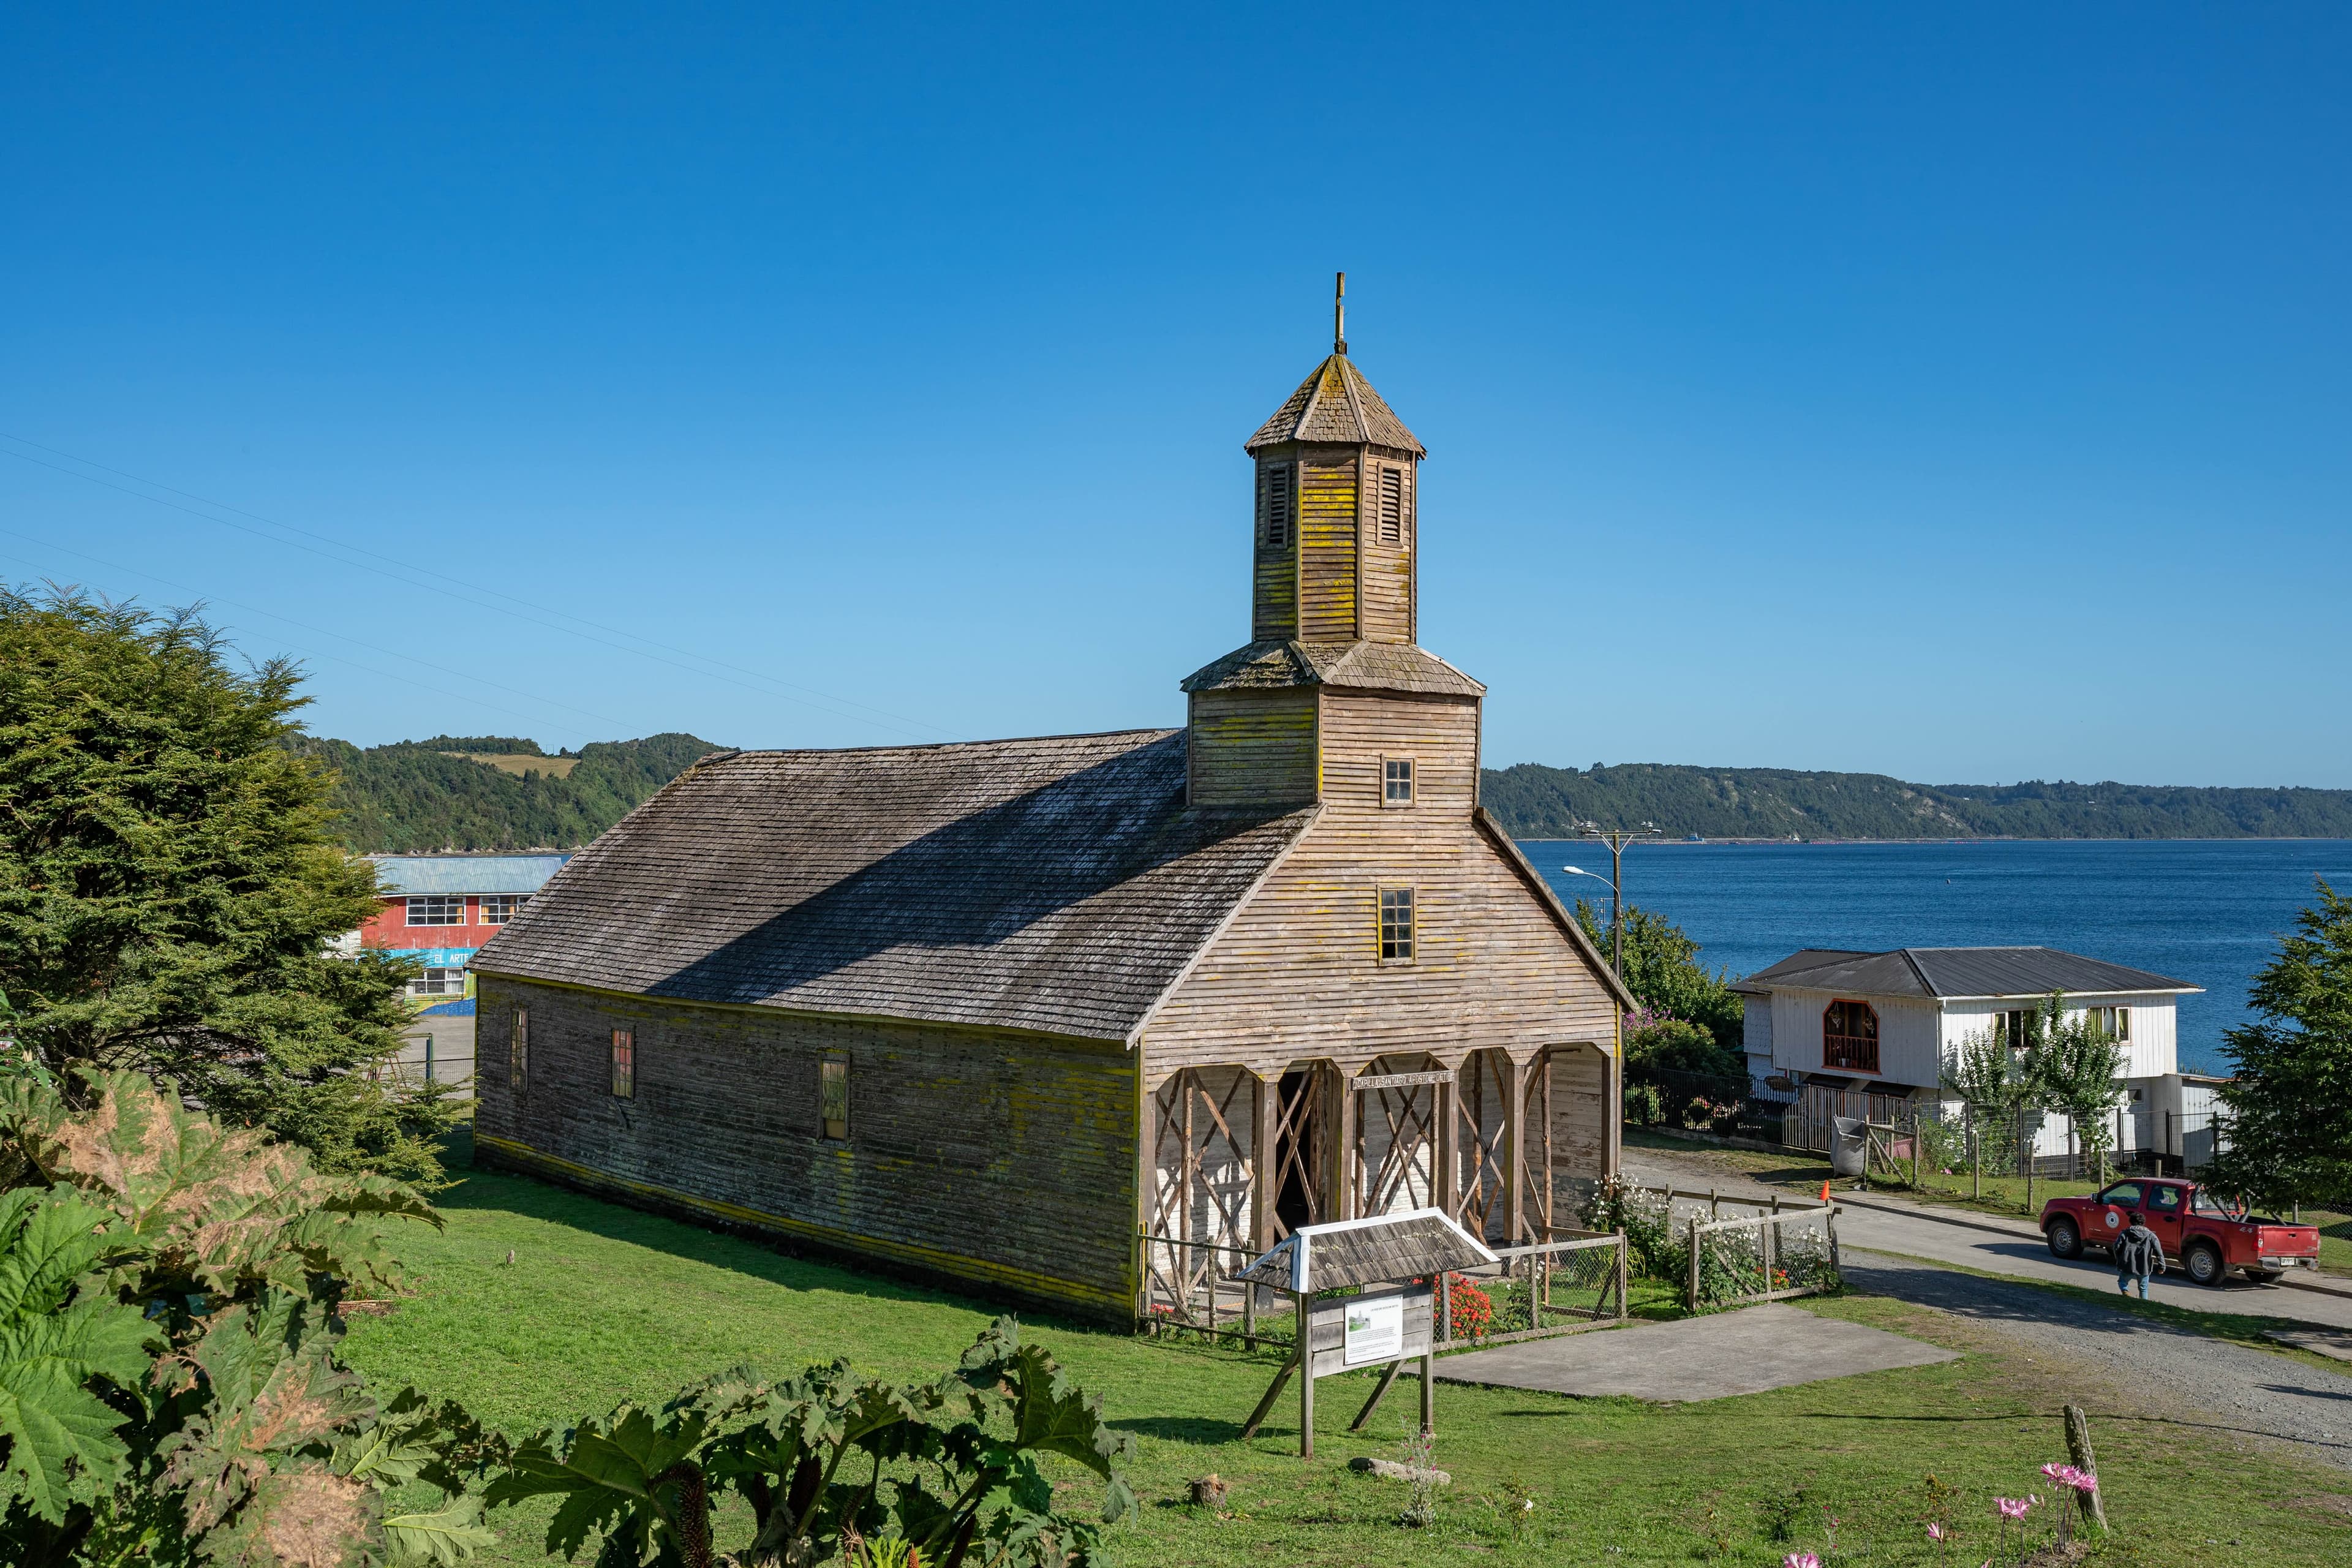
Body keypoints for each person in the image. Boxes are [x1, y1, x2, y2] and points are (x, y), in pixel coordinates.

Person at [2114, 1219, 2163, 1298]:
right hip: (2144, 1266)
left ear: (2131, 1221)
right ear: (2143, 1223)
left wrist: (2119, 1259)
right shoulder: (2151, 1235)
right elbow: (2159, 1252)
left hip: (2128, 1263)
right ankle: (2143, 1305)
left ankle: (2125, 1292)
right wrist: (2162, 1266)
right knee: (2143, 1288)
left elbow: (2116, 1247)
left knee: (2122, 1282)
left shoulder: (2125, 1233)